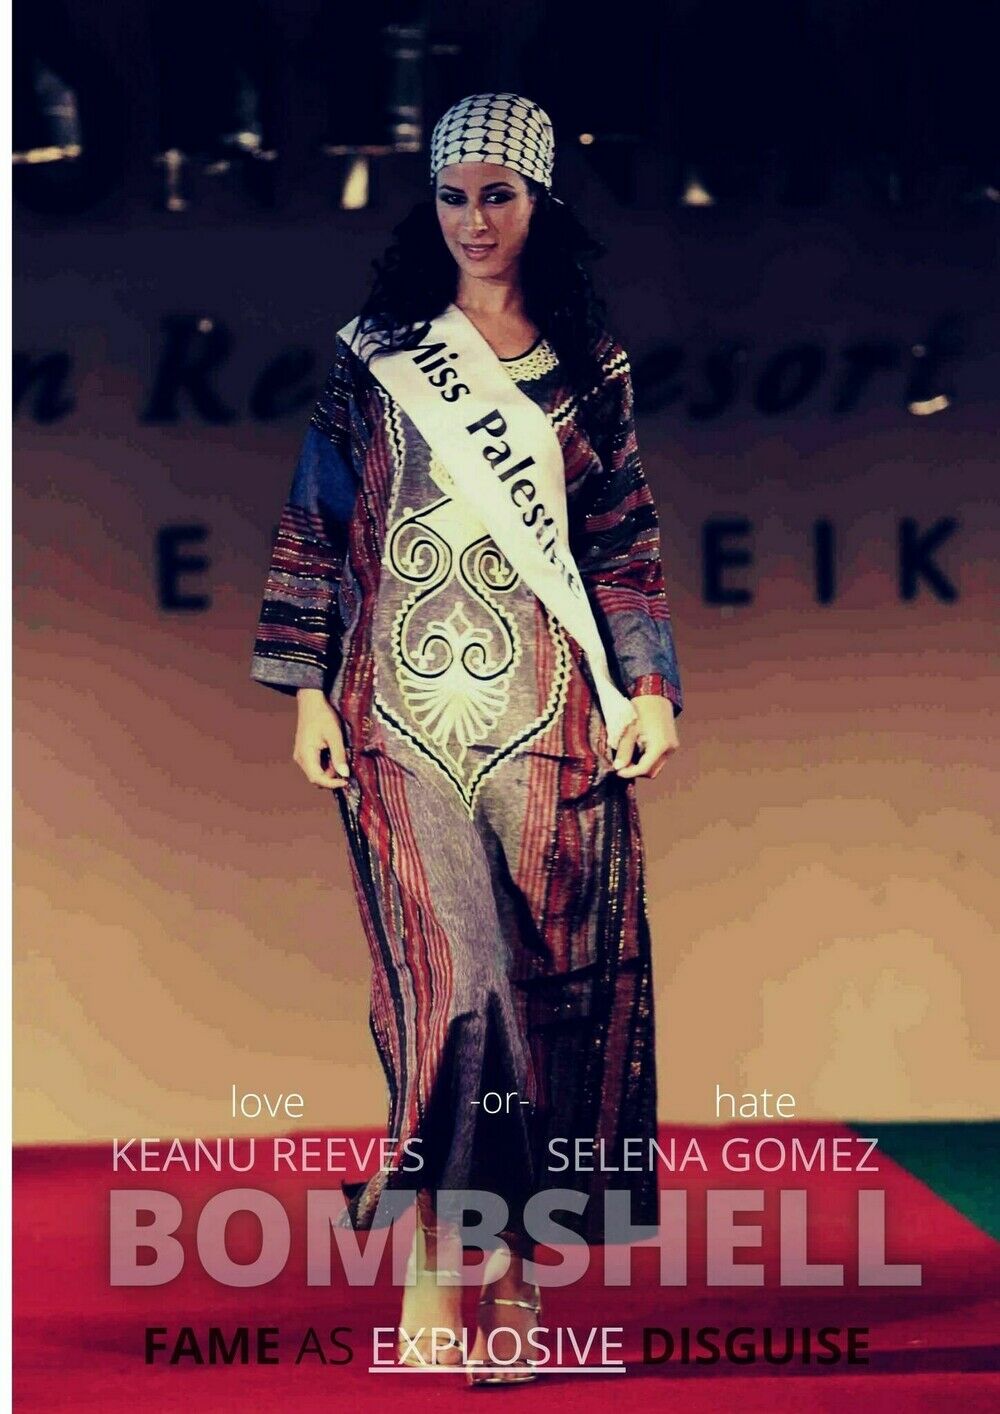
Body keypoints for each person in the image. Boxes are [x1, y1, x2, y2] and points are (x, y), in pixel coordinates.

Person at [250, 91, 683, 1386]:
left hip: (552, 724)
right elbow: (317, 519)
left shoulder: (588, 362)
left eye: (499, 194)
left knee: (548, 997)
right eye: (453, 195)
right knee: (456, 989)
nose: (474, 219)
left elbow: (621, 537)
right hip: (398, 723)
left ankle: (508, 1269)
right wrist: (306, 689)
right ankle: (455, 1263)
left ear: (543, 200)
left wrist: (650, 686)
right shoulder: (381, 354)